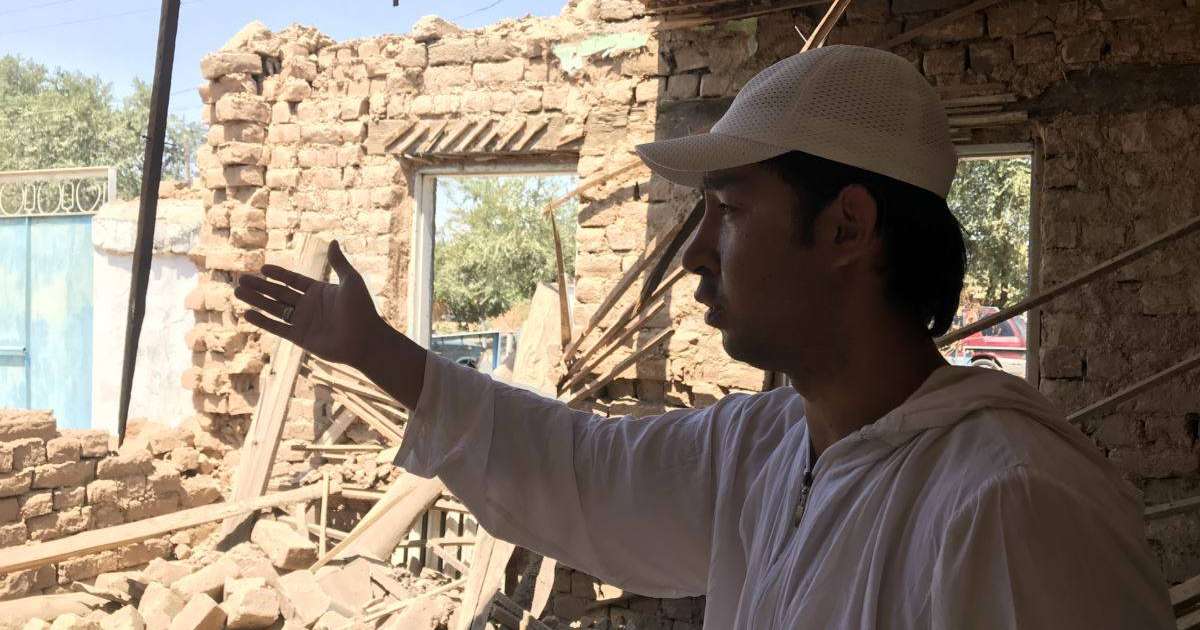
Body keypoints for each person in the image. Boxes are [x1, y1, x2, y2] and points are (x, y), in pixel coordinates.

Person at [235, 45, 1173, 628]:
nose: (694, 256)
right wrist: (378, 350)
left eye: (728, 210)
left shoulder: (1009, 505)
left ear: (846, 228)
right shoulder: (767, 447)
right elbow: (582, 472)